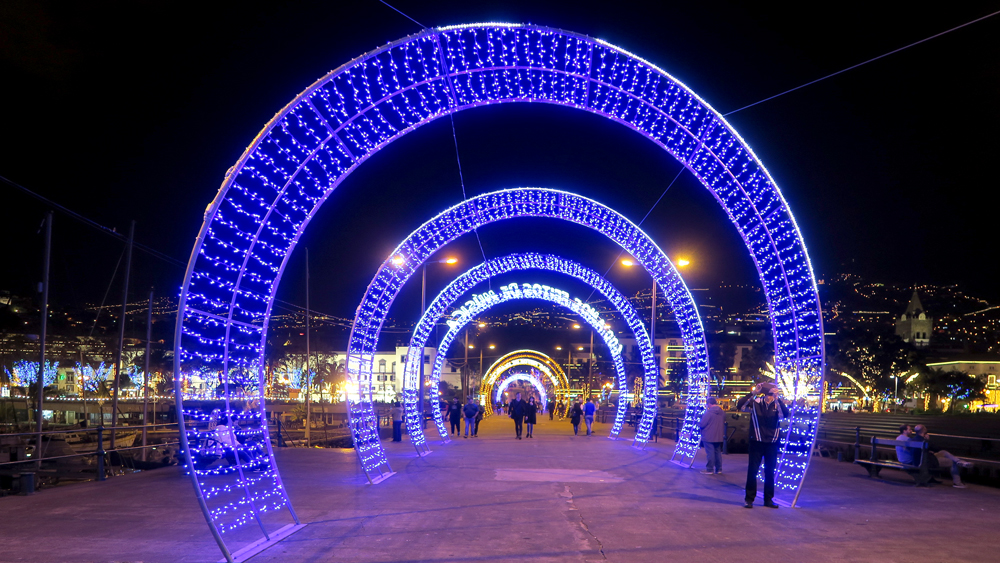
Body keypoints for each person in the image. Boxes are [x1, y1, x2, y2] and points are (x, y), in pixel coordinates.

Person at [737, 382, 789, 509]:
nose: (770, 396)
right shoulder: (756, 403)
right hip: (756, 441)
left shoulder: (777, 405)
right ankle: (749, 499)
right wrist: (753, 392)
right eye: (768, 393)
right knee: (753, 471)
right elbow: (740, 406)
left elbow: (785, 415)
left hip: (772, 442)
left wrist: (778, 399)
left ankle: (768, 499)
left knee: (770, 472)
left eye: (772, 393)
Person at [913, 424, 972, 488]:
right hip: (928, 461)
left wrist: (928, 450)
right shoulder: (925, 441)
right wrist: (928, 440)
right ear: (924, 430)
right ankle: (957, 483)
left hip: (919, 460)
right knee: (952, 462)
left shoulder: (912, 440)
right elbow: (936, 448)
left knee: (943, 452)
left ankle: (961, 462)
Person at [699, 397, 725, 475]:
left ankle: (710, 469)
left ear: (709, 403)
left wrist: (698, 423)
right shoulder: (722, 412)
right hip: (719, 435)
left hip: (708, 435)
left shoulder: (708, 413)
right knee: (717, 452)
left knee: (710, 453)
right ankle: (719, 469)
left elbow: (702, 424)